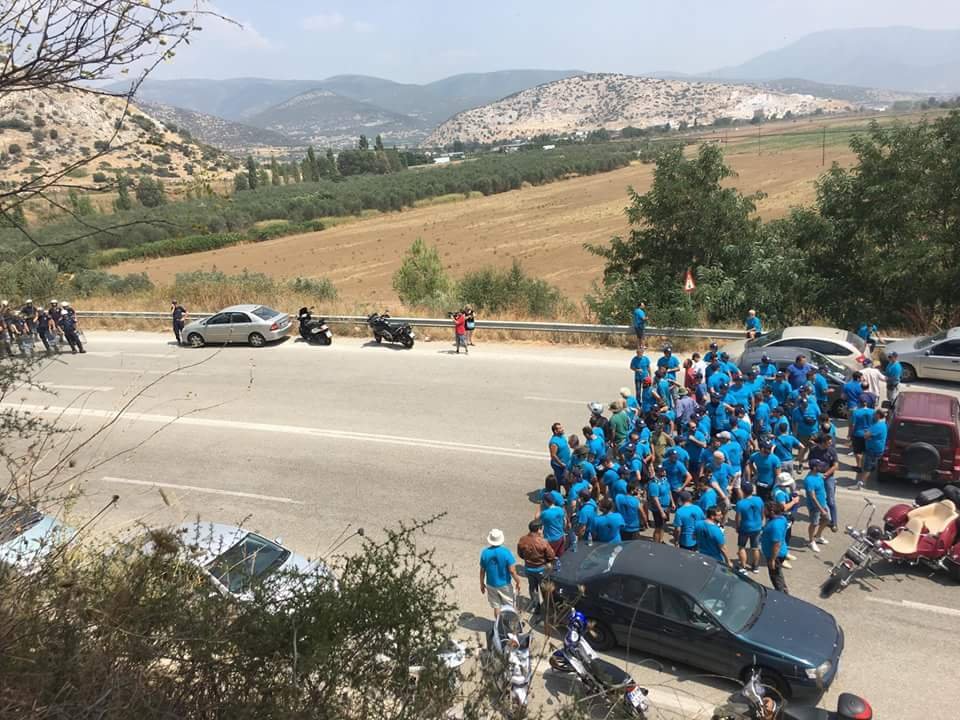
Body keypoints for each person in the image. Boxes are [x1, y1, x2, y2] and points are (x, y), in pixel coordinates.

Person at [516, 520, 555, 617]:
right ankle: (547, 608)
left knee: (533, 588)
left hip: (529, 569)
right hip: (541, 569)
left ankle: (536, 607)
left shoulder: (522, 540)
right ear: (539, 530)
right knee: (545, 589)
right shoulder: (543, 542)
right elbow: (551, 556)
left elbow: (520, 554)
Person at [480, 529, 522, 618]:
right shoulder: (506, 552)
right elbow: (512, 570)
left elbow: (482, 571)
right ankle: (510, 623)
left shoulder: (485, 552)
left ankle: (498, 623)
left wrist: (482, 584)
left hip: (490, 584)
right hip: (504, 584)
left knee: (496, 606)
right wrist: (518, 581)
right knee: (509, 606)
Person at [808, 434, 839, 532]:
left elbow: (836, 465)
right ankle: (821, 517)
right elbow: (810, 463)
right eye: (828, 442)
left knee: (831, 501)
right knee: (818, 498)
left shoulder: (832, 451)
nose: (831, 443)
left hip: (828, 478)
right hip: (816, 476)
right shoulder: (814, 450)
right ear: (822, 443)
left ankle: (834, 522)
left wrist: (826, 474)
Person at [760, 501, 790, 594]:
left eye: (765, 510)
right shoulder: (781, 518)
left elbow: (776, 544)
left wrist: (772, 560)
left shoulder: (775, 526)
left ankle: (781, 594)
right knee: (778, 574)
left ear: (772, 512)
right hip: (778, 553)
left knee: (775, 577)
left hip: (776, 556)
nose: (763, 512)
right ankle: (783, 589)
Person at [735, 482, 764, 573]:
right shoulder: (759, 499)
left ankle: (743, 567)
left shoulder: (740, 503)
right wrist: (761, 522)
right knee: (755, 548)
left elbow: (738, 518)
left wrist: (737, 527)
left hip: (745, 528)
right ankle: (755, 567)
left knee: (741, 547)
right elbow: (762, 513)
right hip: (757, 527)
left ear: (743, 491)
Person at [803, 460, 830, 552]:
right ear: (814, 468)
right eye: (820, 466)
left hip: (823, 503)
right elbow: (813, 497)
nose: (822, 467)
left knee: (827, 519)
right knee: (814, 523)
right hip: (815, 507)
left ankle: (818, 536)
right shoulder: (809, 480)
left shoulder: (819, 475)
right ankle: (811, 541)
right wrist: (821, 509)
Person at [859, 408, 889, 489]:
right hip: (877, 449)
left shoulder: (877, 426)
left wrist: (867, 435)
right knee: (871, 465)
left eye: (874, 414)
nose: (873, 416)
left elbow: (866, 436)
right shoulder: (883, 424)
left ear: (878, 415)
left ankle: (861, 483)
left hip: (873, 450)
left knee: (867, 467)